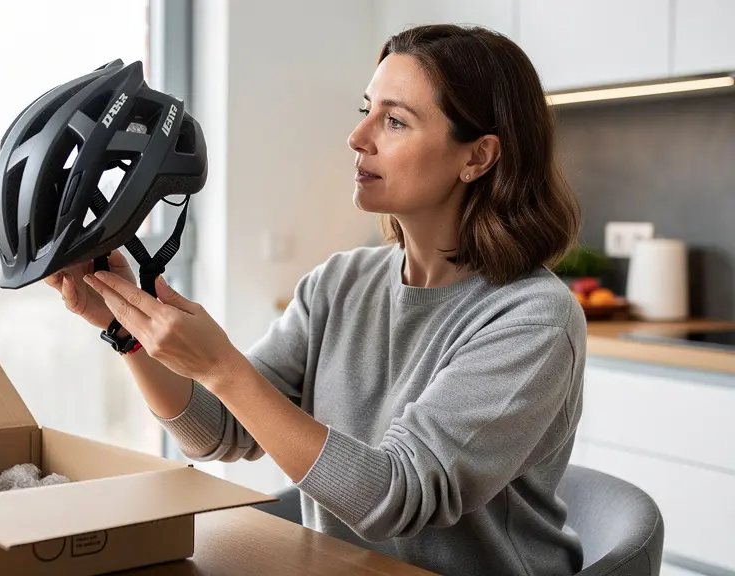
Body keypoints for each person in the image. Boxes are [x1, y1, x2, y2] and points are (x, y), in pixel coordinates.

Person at [45, 24, 585, 576]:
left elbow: (394, 496)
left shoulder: (534, 319)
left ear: (478, 157)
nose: (358, 137)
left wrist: (223, 367)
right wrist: (125, 324)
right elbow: (220, 432)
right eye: (367, 110)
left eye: (395, 121)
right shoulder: (341, 282)